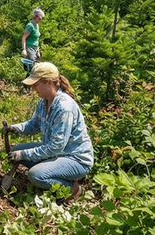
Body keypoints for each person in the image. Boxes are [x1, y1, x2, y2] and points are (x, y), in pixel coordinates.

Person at [6, 61, 93, 199]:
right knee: (15, 150)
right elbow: (34, 125)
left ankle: (72, 189)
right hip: (57, 153)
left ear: (48, 82)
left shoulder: (64, 108)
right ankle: (56, 172)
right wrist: (14, 128)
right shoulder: (44, 101)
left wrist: (24, 154)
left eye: (36, 85)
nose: (33, 89)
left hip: (75, 158)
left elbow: (56, 147)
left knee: (35, 175)